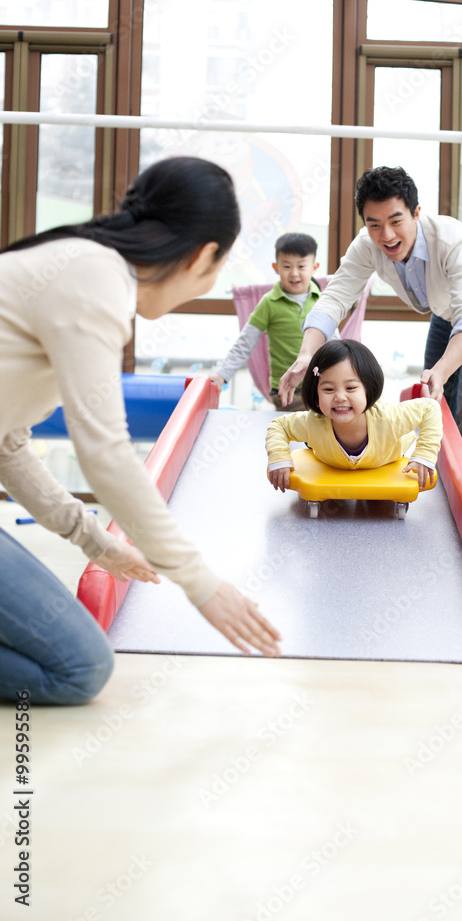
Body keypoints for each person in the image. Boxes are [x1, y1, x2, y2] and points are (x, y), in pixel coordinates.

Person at [0, 156, 281, 706]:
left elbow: (7, 446)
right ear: (203, 255)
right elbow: (105, 454)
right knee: (78, 667)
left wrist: (95, 542)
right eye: (218, 268)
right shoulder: (95, 279)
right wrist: (201, 583)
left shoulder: (82, 264)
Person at [279, 166, 462, 496]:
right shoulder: (366, 244)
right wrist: (307, 353)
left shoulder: (455, 243)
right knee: (437, 405)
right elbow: (335, 297)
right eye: (374, 224)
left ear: (416, 212)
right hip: (444, 309)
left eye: (396, 221)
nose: (387, 235)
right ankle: (442, 497)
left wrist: (442, 370)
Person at [266, 339, 442, 493]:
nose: (340, 397)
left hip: (387, 451)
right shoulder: (313, 422)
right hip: (326, 449)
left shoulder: (389, 418)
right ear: (315, 393)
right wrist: (279, 457)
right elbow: (279, 426)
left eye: (350, 388)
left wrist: (424, 454)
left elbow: (430, 407)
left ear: (368, 389)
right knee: (311, 434)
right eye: (328, 389)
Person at [212, 233, 321, 411]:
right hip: (287, 390)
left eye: (301, 266)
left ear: (314, 267)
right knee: (293, 428)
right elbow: (245, 342)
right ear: (275, 267)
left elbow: (335, 342)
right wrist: (222, 374)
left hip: (320, 386)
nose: (294, 273)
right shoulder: (269, 303)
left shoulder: (323, 301)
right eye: (287, 266)